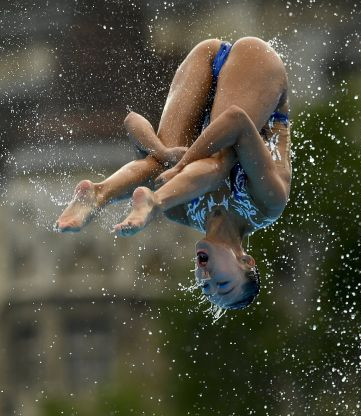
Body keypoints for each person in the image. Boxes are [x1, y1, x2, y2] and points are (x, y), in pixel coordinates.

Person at [55, 37, 292, 311]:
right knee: (220, 160)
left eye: (205, 286)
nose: (207, 278)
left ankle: (98, 194)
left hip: (204, 57)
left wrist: (166, 155)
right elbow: (236, 120)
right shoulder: (267, 203)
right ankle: (153, 201)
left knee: (159, 166)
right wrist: (183, 164)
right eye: (222, 284)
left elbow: (132, 122)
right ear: (245, 261)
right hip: (256, 62)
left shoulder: (180, 211)